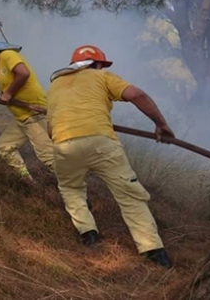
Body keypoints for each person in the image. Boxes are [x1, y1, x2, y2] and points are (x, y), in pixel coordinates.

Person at [46, 45, 174, 268]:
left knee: (71, 189)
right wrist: (161, 124)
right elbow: (137, 94)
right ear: (96, 64)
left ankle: (89, 235)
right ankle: (154, 252)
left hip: (63, 144)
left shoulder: (55, 85)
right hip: (101, 142)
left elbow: (50, 129)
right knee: (130, 196)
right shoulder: (101, 75)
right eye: (101, 64)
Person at [0, 32, 54, 180]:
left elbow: (23, 73)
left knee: (49, 158)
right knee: (4, 147)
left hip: (34, 113)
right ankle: (26, 182)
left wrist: (7, 94)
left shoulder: (7, 55)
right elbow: (4, 97)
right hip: (22, 118)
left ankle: (77, 192)